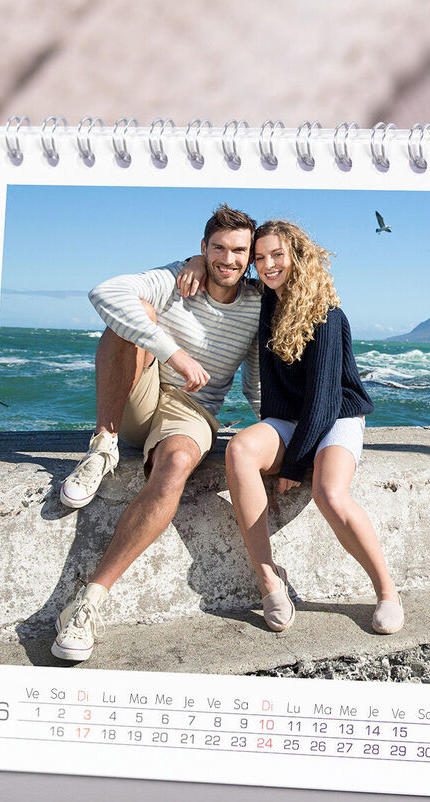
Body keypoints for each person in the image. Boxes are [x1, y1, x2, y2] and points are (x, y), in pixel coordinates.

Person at [52, 205, 262, 662]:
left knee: (177, 466)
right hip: (141, 391)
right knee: (133, 314)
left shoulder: (256, 304)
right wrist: (175, 354)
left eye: (239, 251)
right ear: (203, 248)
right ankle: (102, 446)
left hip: (191, 411)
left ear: (249, 255)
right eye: (219, 248)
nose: (229, 259)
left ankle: (86, 603)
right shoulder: (175, 277)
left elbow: (255, 385)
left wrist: (285, 438)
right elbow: (105, 292)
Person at [219, 220, 403, 634]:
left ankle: (387, 592)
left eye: (277, 255)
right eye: (260, 257)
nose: (267, 265)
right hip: (288, 419)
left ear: (297, 256)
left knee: (329, 493)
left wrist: (292, 464)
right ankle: (269, 581)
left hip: (336, 416)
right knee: (239, 450)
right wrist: (197, 263)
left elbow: (323, 402)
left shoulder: (327, 315)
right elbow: (219, 271)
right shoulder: (266, 304)